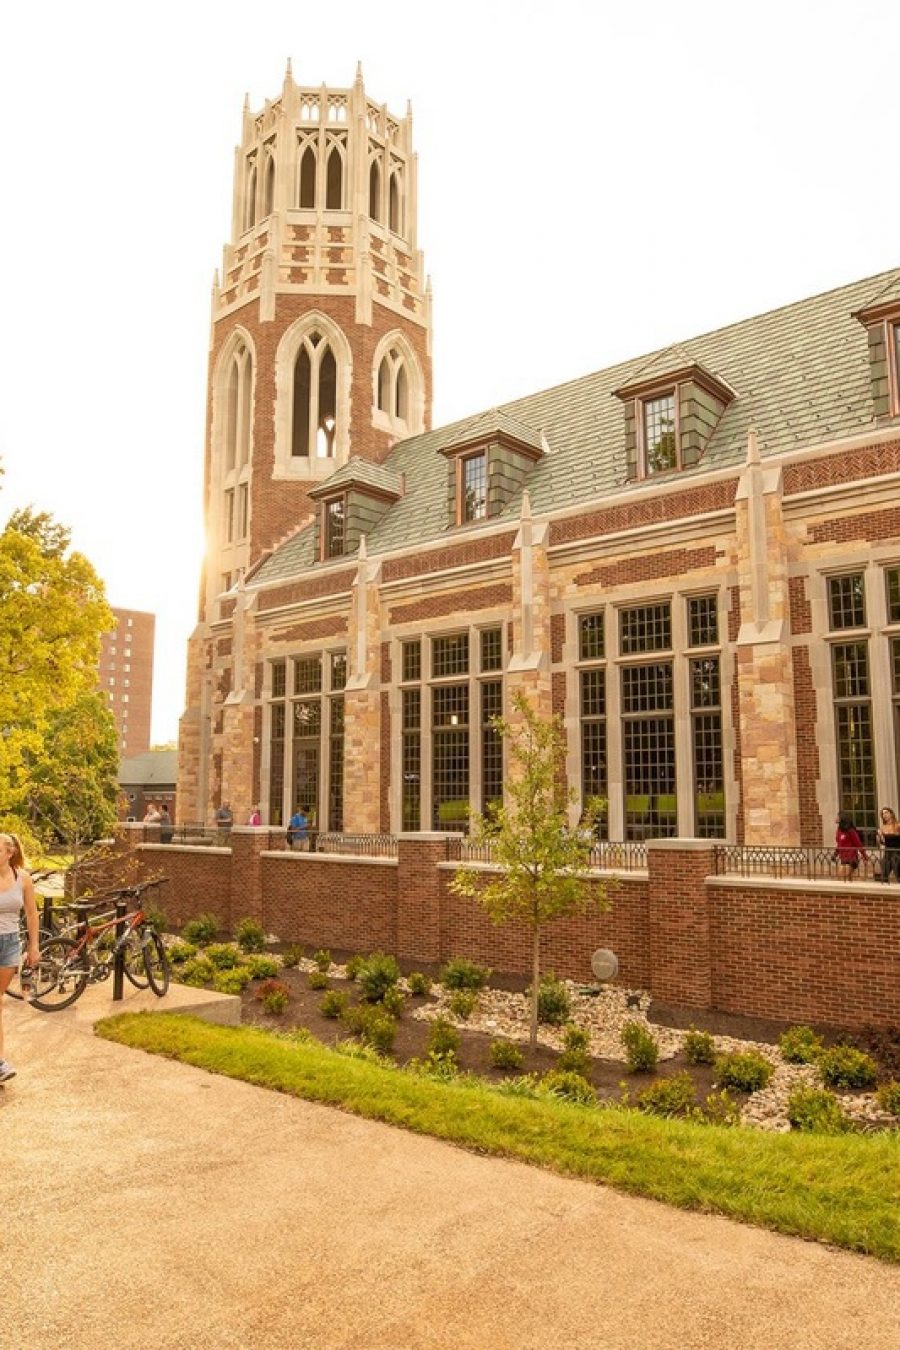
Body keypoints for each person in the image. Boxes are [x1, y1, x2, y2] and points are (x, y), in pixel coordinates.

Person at [0, 832, 40, 1084]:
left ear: (9, 852)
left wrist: (34, 946)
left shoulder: (22, 878)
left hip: (10, 944)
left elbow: (32, 914)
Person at [833, 813, 868, 881]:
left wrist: (864, 856)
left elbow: (858, 844)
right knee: (845, 878)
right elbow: (839, 844)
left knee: (843, 875)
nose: (836, 818)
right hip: (843, 858)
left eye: (837, 817)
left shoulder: (851, 831)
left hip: (851, 858)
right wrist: (835, 854)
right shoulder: (839, 830)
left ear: (842, 818)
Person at [876, 806, 900, 884]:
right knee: (884, 876)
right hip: (887, 852)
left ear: (891, 814)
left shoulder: (898, 825)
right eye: (883, 814)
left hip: (897, 852)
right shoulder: (883, 827)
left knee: (898, 873)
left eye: (886, 812)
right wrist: (879, 836)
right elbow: (882, 842)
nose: (884, 815)